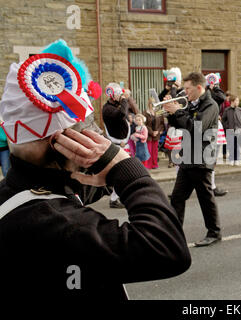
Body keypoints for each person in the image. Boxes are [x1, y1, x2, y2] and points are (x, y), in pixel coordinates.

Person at [0, 39, 191, 300]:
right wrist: (127, 168)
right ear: (64, 142)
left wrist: (108, 176)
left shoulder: (17, 193)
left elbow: (74, 192)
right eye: (85, 130)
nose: (95, 136)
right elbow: (167, 248)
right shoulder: (56, 222)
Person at [164, 72, 222, 247]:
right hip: (188, 156)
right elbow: (180, 124)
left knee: (205, 197)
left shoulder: (210, 105)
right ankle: (174, 233)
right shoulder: (192, 104)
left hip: (202, 157)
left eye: (188, 89)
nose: (185, 92)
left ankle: (215, 232)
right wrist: (170, 112)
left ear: (199, 88)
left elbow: (196, 128)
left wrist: (179, 111)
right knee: (177, 197)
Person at [102, 82, 132, 208]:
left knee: (123, 172)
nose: (121, 96)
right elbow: (121, 115)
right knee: (121, 172)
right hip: (117, 144)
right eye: (119, 94)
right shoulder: (108, 109)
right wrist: (124, 100)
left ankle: (116, 196)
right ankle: (113, 199)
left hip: (122, 143)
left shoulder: (114, 105)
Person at [222, 94, 241, 166]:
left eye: (238, 101)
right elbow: (223, 120)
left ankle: (237, 159)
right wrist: (227, 126)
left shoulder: (239, 110)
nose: (237, 102)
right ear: (232, 102)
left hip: (239, 130)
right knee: (231, 146)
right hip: (230, 131)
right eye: (236, 101)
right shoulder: (227, 110)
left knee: (238, 146)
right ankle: (231, 159)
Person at [143, 98, 165, 169]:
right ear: (148, 104)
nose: (152, 105)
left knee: (155, 151)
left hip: (156, 134)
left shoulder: (159, 112)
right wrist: (152, 132)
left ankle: (155, 164)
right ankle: (148, 165)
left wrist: (158, 131)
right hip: (148, 134)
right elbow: (144, 124)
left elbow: (162, 124)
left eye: (154, 103)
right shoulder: (145, 112)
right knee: (149, 150)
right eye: (151, 103)